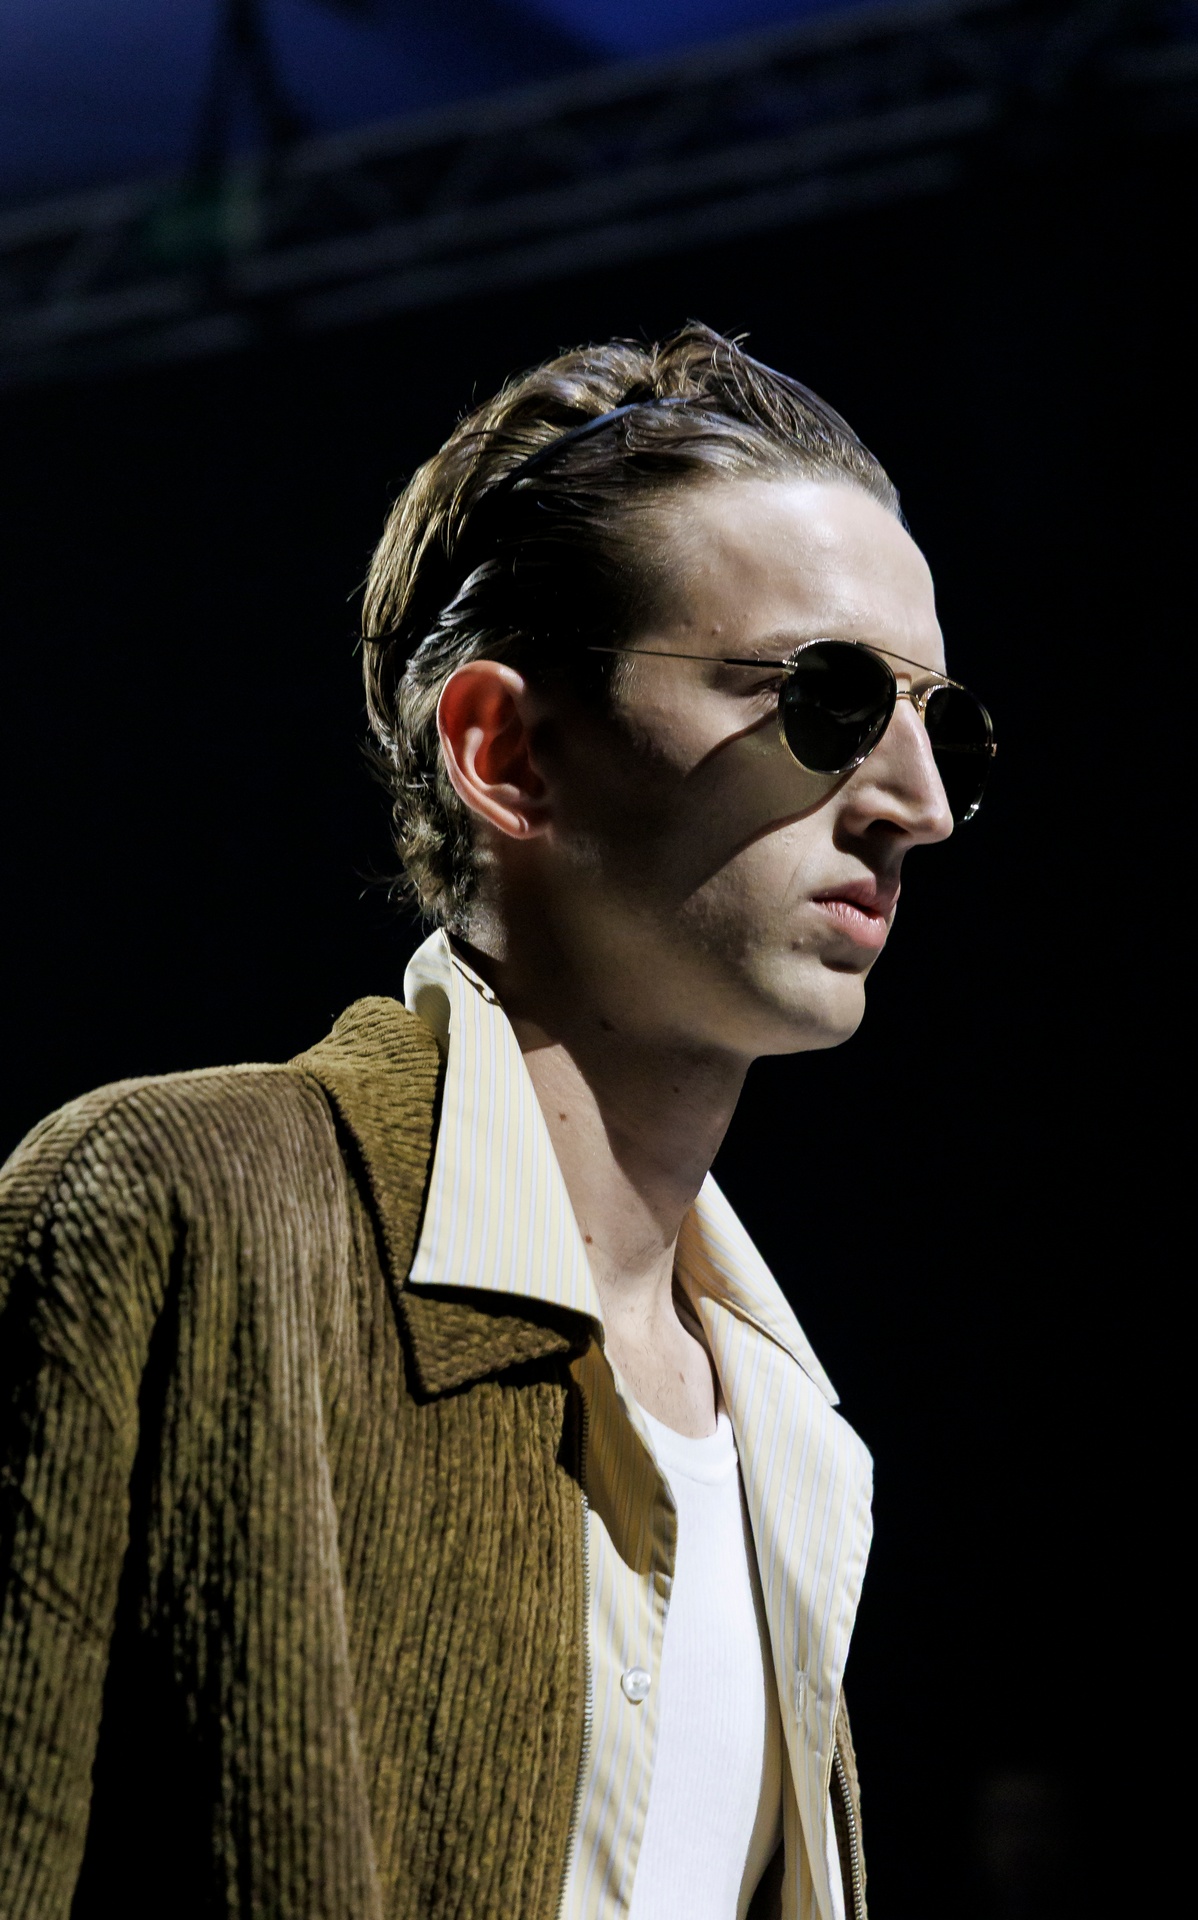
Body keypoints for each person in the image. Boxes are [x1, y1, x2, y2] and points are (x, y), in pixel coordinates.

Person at [0, 322, 994, 1920]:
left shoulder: (790, 1431)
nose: (919, 804)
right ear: (507, 753)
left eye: (944, 723)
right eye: (827, 698)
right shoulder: (174, 1210)